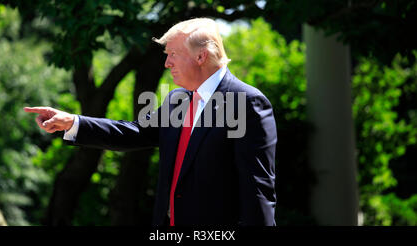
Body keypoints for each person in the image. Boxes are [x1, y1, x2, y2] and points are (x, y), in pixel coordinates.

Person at [24, 18, 277, 226]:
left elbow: (257, 192)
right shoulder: (178, 99)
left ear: (201, 57)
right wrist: (72, 122)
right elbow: (135, 133)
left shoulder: (246, 103)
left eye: (173, 55)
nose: (167, 63)